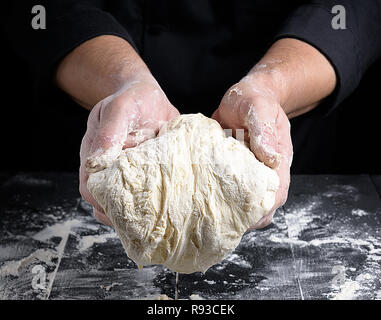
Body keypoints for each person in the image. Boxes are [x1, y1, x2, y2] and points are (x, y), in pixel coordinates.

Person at [5, 1, 381, 227]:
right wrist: (122, 82)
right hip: (88, 130)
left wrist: (271, 86)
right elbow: (39, 9)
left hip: (275, 140)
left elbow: (355, 9)